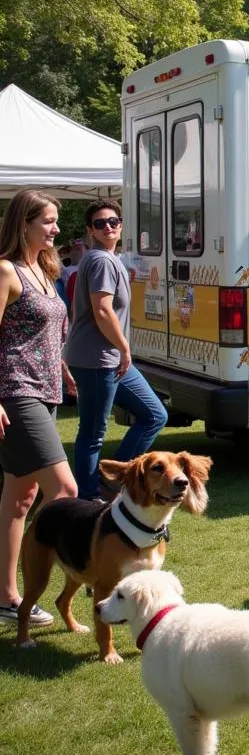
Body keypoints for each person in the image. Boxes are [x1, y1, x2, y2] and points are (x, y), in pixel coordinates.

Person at [0, 189, 79, 627]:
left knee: (20, 498)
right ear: (24, 222)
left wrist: (62, 367)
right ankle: (35, 581)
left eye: (55, 221)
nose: (55, 229)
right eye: (47, 221)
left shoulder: (45, 270)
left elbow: (45, 333)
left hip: (46, 388)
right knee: (64, 491)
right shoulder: (6, 271)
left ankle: (7, 597)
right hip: (15, 390)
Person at [64, 200, 168, 500]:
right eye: (100, 223)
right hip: (99, 359)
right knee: (93, 434)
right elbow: (102, 311)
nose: (108, 226)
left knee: (154, 415)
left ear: (121, 224)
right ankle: (88, 497)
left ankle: (112, 481)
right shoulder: (101, 261)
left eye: (113, 221)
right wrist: (124, 348)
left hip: (108, 359)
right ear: (89, 230)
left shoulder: (106, 259)